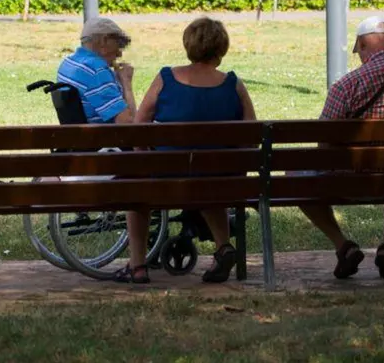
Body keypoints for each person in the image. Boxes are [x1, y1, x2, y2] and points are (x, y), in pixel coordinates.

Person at [114, 17, 257, 285]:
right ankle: (223, 247)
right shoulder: (234, 84)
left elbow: (139, 128)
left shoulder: (166, 78)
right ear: (222, 48)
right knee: (207, 180)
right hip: (221, 180)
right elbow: (252, 137)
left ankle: (137, 266)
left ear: (188, 45)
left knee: (136, 191)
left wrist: (145, 160)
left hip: (167, 179)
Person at [299, 15, 384, 280]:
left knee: (295, 177)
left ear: (363, 46)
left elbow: (323, 143)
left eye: (358, 51)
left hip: (352, 180)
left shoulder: (346, 85)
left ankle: (343, 246)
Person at [57, 17, 136, 125]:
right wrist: (127, 84)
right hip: (101, 135)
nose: (119, 54)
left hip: (75, 133)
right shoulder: (96, 70)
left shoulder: (68, 63)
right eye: (119, 45)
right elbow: (129, 124)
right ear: (104, 41)